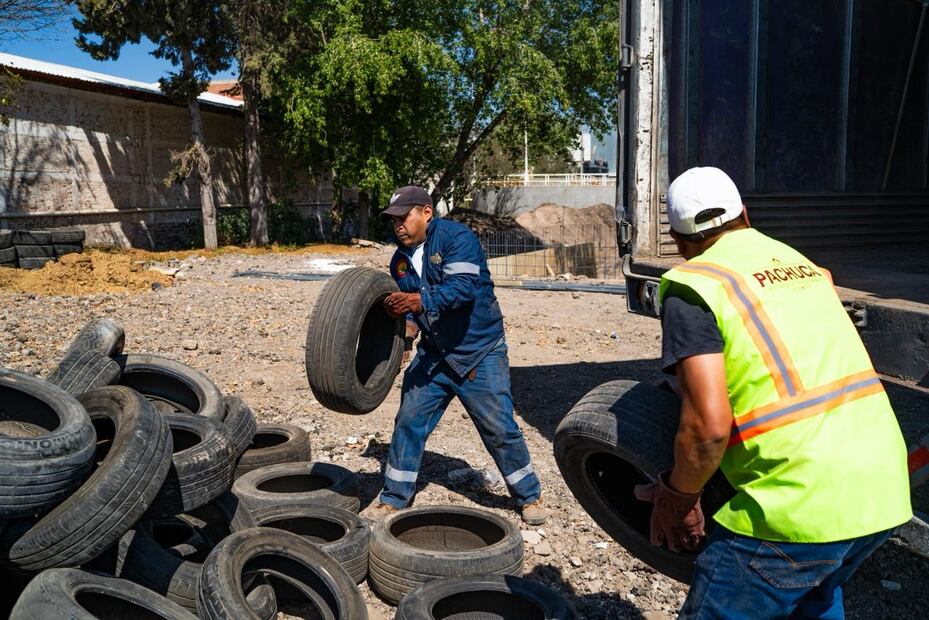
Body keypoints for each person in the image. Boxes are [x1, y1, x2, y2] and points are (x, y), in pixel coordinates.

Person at [634, 167, 912, 619]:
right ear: (745, 215)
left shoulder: (695, 286)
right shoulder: (801, 264)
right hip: (882, 490)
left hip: (795, 505)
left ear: (678, 241)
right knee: (814, 598)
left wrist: (678, 498)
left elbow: (707, 428)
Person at [371, 185, 547, 525]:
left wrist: (416, 302)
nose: (398, 226)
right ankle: (394, 496)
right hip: (434, 354)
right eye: (393, 221)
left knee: (498, 427)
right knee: (409, 421)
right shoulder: (399, 262)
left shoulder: (456, 238)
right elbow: (411, 313)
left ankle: (529, 496)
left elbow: (462, 289)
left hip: (478, 351)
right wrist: (406, 338)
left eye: (404, 217)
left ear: (426, 212)